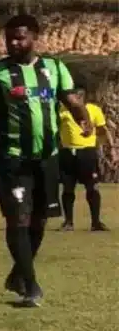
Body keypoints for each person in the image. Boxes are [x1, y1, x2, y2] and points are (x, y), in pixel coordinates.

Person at [0, 14, 91, 308]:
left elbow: (70, 99)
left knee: (39, 220)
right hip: (12, 160)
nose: (14, 44)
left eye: (20, 38)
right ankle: (31, 286)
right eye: (9, 39)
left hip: (47, 159)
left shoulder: (54, 69)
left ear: (35, 38)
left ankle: (19, 273)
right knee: (18, 219)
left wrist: (84, 119)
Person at [59, 83, 113, 231]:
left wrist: (108, 148)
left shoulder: (94, 110)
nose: (76, 99)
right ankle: (68, 222)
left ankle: (96, 222)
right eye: (74, 97)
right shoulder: (62, 111)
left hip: (87, 153)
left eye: (79, 96)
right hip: (68, 153)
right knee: (68, 189)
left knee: (93, 188)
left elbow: (102, 130)